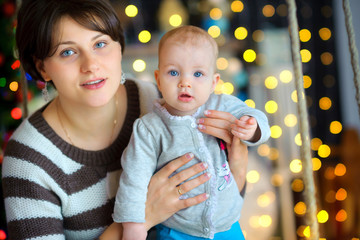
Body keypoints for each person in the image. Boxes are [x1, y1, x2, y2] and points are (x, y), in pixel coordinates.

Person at [1, 1, 250, 240]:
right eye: (68, 52)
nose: (91, 65)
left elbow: (216, 203)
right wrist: (144, 217)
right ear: (42, 67)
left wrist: (237, 166)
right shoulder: (28, 161)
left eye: (100, 44)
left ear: (119, 46)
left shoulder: (158, 102)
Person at [114, 26, 271, 240]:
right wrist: (133, 227)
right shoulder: (150, 128)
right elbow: (134, 179)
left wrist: (252, 128)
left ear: (213, 82)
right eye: (173, 72)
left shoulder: (221, 104)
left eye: (198, 74)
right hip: (177, 231)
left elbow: (255, 117)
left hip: (228, 225)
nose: (185, 82)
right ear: (158, 79)